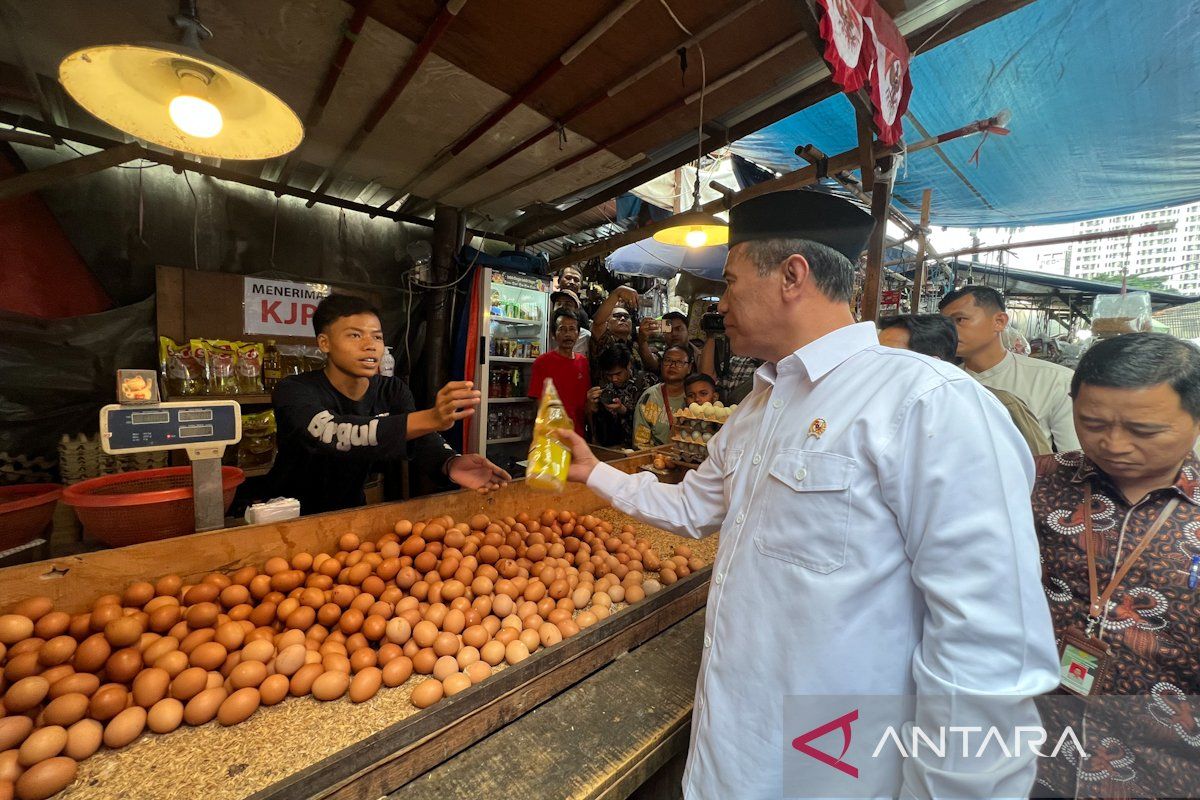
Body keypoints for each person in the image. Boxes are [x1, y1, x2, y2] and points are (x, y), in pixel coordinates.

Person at [553, 189, 1058, 799]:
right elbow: (692, 507)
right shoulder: (759, 406)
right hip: (732, 756)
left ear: (792, 276)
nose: (721, 302)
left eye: (731, 281)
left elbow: (986, 643)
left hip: (838, 773)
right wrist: (594, 474)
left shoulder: (927, 403)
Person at [1032, 333, 1200, 799]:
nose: (1113, 444)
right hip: (1035, 753)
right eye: (1092, 423)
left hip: (1166, 769)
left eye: (1144, 431)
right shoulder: (1033, 481)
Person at [267, 295, 510, 515]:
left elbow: (417, 438)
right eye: (354, 335)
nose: (369, 344)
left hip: (350, 512)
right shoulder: (294, 390)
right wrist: (431, 418)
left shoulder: (391, 390)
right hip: (285, 514)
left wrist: (450, 462)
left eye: (377, 336)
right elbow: (333, 433)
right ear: (324, 343)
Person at [878, 314, 1052, 455]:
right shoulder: (875, 405)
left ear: (932, 363)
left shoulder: (997, 405)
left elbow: (1042, 470)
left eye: (890, 357)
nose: (874, 364)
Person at [940, 285, 1080, 452]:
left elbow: (1073, 460)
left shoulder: (1055, 380)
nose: (949, 331)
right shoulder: (942, 383)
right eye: (945, 324)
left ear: (999, 322)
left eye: (960, 320)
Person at [529, 308, 589, 436]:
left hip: (577, 435)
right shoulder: (542, 362)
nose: (568, 334)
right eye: (562, 329)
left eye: (572, 329)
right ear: (554, 334)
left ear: (578, 334)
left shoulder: (583, 362)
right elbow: (539, 404)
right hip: (551, 435)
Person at [586, 344, 654, 449]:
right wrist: (591, 407)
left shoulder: (647, 382)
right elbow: (595, 426)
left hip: (641, 448)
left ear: (628, 365)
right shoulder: (605, 387)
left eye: (618, 374)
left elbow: (653, 420)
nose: (614, 379)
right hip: (612, 449)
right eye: (609, 375)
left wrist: (623, 410)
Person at [632, 343, 691, 449]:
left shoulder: (694, 396)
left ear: (689, 368)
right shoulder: (649, 397)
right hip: (656, 460)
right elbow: (641, 443)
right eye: (668, 361)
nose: (672, 365)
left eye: (679, 362)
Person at [551, 287, 590, 355]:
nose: (562, 307)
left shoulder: (586, 337)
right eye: (558, 304)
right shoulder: (545, 332)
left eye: (568, 304)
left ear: (576, 309)